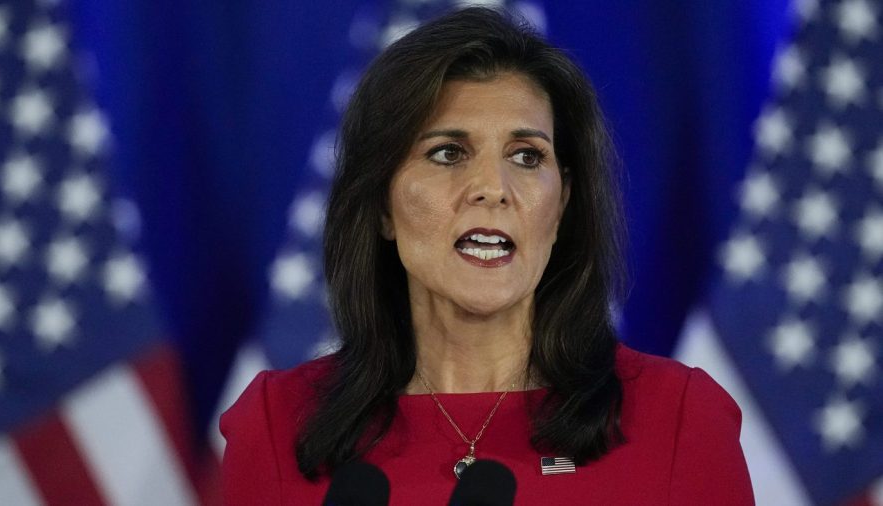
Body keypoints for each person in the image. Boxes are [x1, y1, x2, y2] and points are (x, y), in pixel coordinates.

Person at [220, 7, 754, 505]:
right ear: (382, 203)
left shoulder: (678, 421)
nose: (493, 189)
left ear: (562, 202)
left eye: (526, 156)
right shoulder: (280, 425)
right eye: (448, 153)